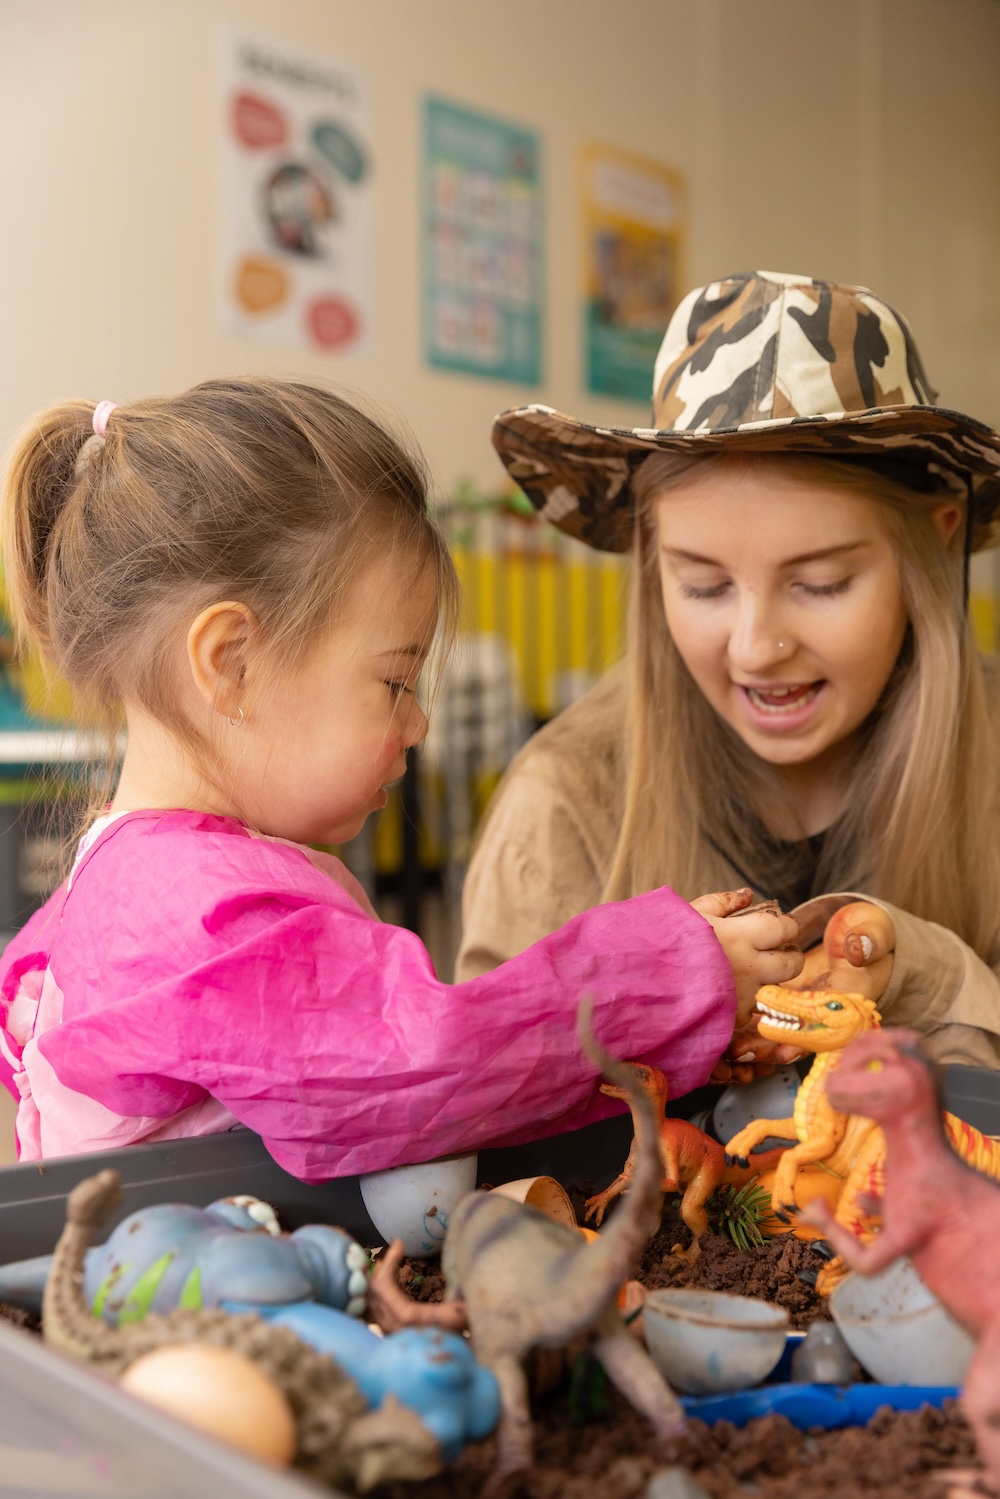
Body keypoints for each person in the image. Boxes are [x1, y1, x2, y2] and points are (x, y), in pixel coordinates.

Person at [0, 379, 797, 1176]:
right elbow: (431, 1065)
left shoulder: (135, 874)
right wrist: (675, 978)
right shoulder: (199, 912)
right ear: (232, 664)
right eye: (395, 682)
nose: (418, 722)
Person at [457, 270, 1000, 1078]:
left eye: (821, 583)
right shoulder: (564, 804)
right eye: (704, 585)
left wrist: (927, 973)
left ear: (934, 542)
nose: (754, 647)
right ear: (651, 562)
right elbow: (487, 1111)